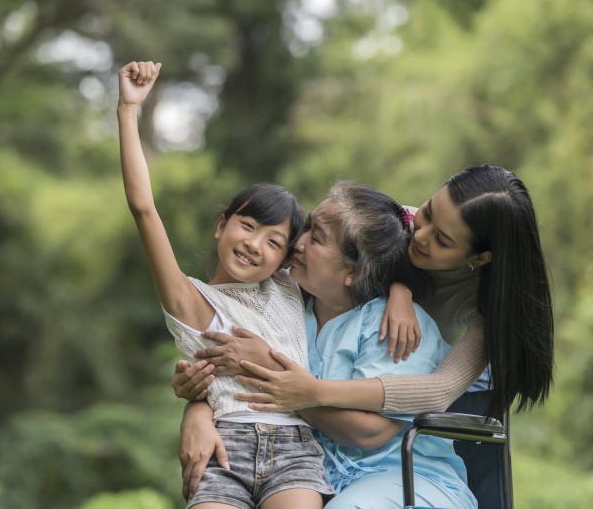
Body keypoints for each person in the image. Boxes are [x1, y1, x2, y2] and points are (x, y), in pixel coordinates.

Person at [175, 165, 554, 499]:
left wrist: (307, 390)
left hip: (416, 419)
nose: (419, 237)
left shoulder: (481, 312)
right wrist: (199, 407)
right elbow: (227, 346)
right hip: (320, 446)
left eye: (442, 241)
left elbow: (436, 392)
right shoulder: (390, 229)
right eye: (427, 212)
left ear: (480, 258)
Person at [117, 60, 333, 509]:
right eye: (248, 225)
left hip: (295, 447)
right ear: (222, 225)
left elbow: (386, 232)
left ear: (286, 256)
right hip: (222, 449)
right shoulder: (191, 300)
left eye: (274, 241)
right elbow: (143, 208)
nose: (254, 245)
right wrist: (128, 109)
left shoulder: (292, 289)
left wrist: (401, 292)